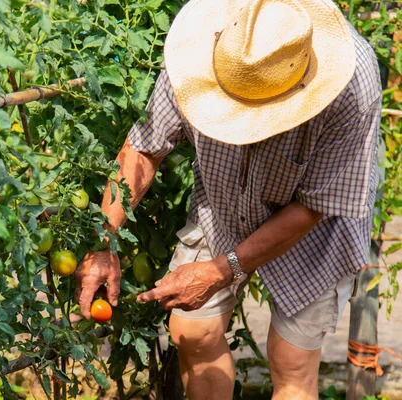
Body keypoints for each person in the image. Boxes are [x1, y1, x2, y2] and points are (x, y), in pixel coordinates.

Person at [74, 0, 382, 398]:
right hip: (223, 202)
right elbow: (145, 149)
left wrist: (223, 270)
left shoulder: (352, 84)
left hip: (314, 227)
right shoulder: (197, 51)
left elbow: (313, 207)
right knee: (193, 333)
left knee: (291, 361)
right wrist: (104, 241)